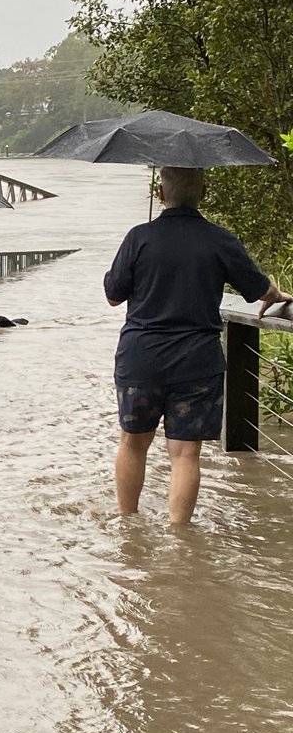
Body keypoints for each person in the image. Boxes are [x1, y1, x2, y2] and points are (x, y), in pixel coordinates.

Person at [103, 166, 293, 524]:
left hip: (142, 359)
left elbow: (113, 296)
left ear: (161, 195)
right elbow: (257, 288)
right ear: (202, 194)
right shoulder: (219, 239)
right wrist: (277, 294)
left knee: (133, 442)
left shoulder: (139, 237)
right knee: (186, 454)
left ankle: (128, 526)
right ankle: (180, 538)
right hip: (197, 361)